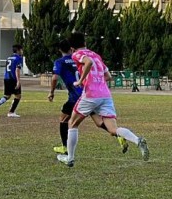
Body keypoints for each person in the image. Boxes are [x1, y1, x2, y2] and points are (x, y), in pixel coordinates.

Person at [57, 32, 148, 167]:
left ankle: (69, 158)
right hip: (105, 95)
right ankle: (137, 140)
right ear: (85, 43)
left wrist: (82, 81)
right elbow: (108, 76)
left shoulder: (77, 54)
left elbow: (88, 62)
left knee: (72, 123)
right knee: (112, 129)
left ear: (72, 47)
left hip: (90, 94)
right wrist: (96, 81)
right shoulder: (96, 55)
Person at [0, 45, 24, 118]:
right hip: (13, 79)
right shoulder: (18, 58)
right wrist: (18, 81)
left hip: (6, 78)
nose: (22, 51)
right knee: (18, 96)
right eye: (21, 50)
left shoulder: (9, 58)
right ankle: (11, 112)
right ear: (18, 50)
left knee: (7, 95)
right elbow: (17, 70)